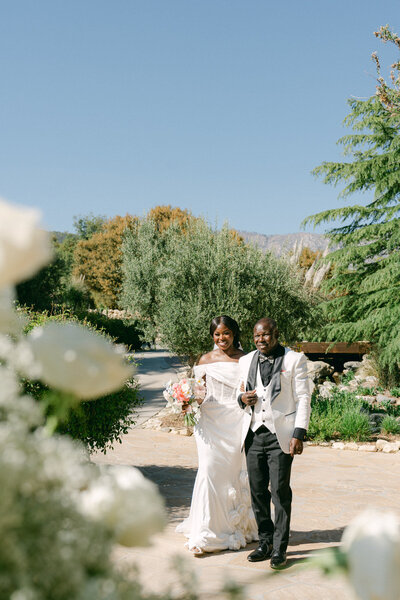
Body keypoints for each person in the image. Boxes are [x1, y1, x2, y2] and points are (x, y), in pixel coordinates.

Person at [177, 315, 258, 555]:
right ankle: (205, 531)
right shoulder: (205, 359)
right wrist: (187, 402)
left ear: (234, 334)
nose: (222, 338)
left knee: (231, 473)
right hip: (209, 421)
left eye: (226, 333)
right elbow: (200, 392)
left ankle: (232, 525)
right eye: (217, 334)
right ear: (212, 336)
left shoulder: (245, 359)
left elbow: (248, 390)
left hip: (235, 419)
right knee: (209, 470)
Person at [237, 317, 311, 569]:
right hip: (254, 433)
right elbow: (238, 391)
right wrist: (241, 398)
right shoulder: (246, 360)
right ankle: (265, 542)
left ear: (276, 334)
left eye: (266, 335)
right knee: (257, 491)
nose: (261, 340)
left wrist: (298, 434)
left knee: (280, 492)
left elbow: (303, 398)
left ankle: (280, 548)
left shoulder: (294, 360)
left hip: (281, 434)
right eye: (257, 336)